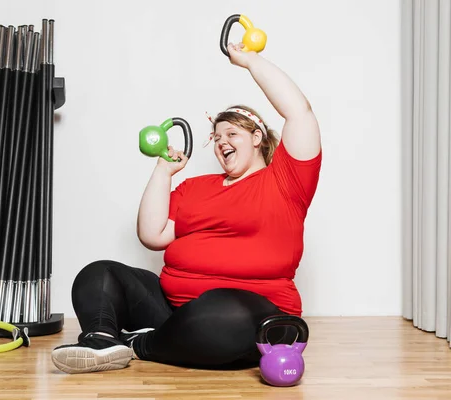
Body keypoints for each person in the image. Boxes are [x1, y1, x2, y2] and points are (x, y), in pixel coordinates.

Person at [51, 42, 322, 374]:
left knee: (219, 311)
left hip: (249, 317)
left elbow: (300, 112)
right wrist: (163, 171)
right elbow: (153, 234)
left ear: (256, 137)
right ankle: (101, 341)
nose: (221, 141)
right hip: (173, 312)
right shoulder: (196, 187)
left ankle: (138, 345)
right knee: (99, 274)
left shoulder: (286, 180)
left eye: (231, 133)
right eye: (216, 136)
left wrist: (250, 61)